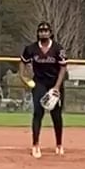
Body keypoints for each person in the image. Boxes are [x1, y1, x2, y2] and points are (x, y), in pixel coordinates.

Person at [20, 20, 67, 159]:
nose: (43, 33)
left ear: (50, 33)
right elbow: (23, 61)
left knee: (56, 115)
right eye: (41, 31)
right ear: (38, 33)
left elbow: (63, 68)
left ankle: (59, 144)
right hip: (39, 83)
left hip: (54, 83)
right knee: (38, 113)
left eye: (46, 31)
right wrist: (23, 77)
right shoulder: (31, 48)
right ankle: (35, 145)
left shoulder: (58, 49)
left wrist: (57, 87)